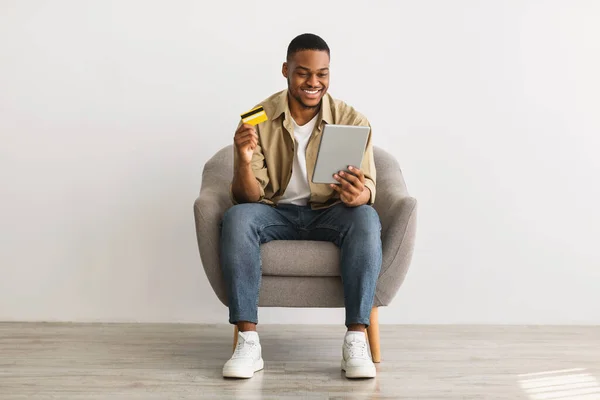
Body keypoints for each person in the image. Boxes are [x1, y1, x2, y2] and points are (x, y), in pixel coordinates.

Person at [220, 33, 382, 379]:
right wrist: (242, 160)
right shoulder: (255, 116)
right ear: (285, 71)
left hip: (330, 212)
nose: (313, 82)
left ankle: (356, 339)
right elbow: (247, 197)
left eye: (322, 74)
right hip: (273, 210)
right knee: (236, 218)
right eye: (303, 73)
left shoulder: (352, 119)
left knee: (366, 217)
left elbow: (369, 183)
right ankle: (248, 341)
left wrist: (361, 195)